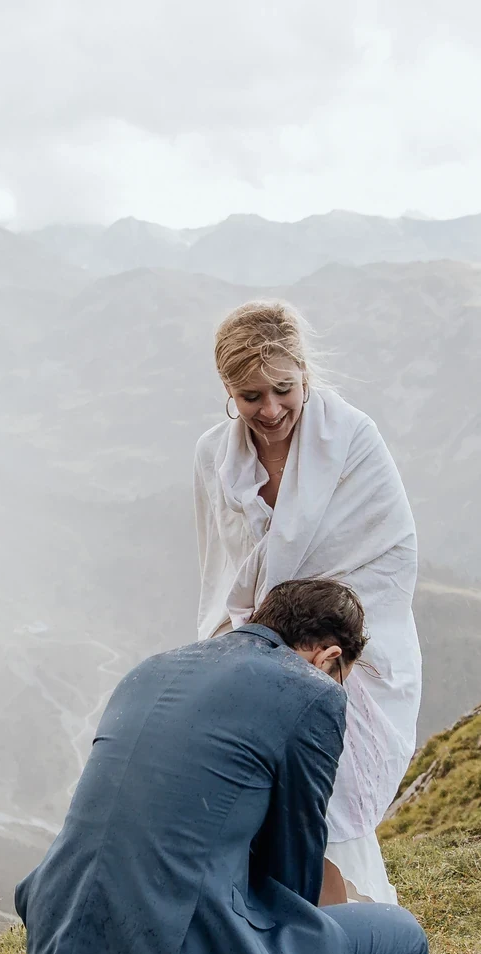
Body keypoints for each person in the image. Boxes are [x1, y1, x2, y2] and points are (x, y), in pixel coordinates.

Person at [14, 578, 430, 954]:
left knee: (153, 865)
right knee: (401, 940)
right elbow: (293, 861)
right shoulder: (312, 692)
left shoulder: (155, 667)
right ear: (329, 658)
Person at [194, 300, 421, 910]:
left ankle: (347, 918)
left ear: (304, 373)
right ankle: (268, 920)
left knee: (324, 782)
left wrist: (311, 643)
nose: (270, 410)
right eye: (250, 396)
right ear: (227, 392)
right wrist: (240, 643)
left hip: (341, 648)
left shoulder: (353, 439)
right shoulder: (212, 457)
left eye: (283, 390)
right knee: (250, 784)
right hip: (253, 645)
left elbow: (389, 556)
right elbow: (220, 566)